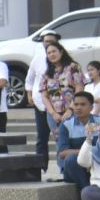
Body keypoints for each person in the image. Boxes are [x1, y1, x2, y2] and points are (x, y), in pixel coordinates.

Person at [39, 41, 85, 179]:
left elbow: (79, 88)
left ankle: (75, 170)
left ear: (61, 52)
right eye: (49, 53)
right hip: (53, 114)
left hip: (72, 111)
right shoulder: (47, 73)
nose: (51, 54)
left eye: (54, 51)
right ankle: (63, 171)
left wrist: (71, 109)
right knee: (59, 141)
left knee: (74, 140)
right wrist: (53, 113)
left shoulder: (73, 67)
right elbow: (44, 95)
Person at [24, 31, 62, 169]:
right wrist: (29, 94)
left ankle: (62, 168)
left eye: (51, 41)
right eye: (45, 41)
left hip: (59, 108)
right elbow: (30, 79)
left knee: (60, 138)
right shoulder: (38, 59)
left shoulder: (64, 63)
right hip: (41, 105)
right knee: (42, 137)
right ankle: (41, 168)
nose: (48, 44)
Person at [56, 91, 99, 190]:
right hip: (76, 166)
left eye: (83, 104)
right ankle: (87, 192)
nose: (78, 107)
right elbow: (62, 153)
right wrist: (85, 153)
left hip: (96, 162)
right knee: (71, 159)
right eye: (76, 104)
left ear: (91, 107)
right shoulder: (66, 125)